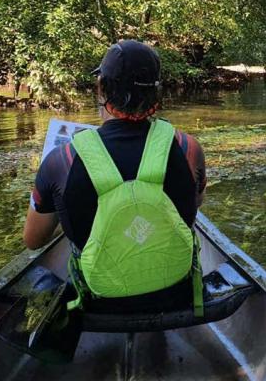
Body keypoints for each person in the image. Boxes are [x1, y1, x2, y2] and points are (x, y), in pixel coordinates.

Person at [23, 40, 207, 311]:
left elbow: (33, 240)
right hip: (175, 293)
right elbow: (195, 205)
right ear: (156, 94)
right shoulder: (188, 148)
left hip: (98, 301)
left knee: (35, 276)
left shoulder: (61, 160)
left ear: (101, 88)